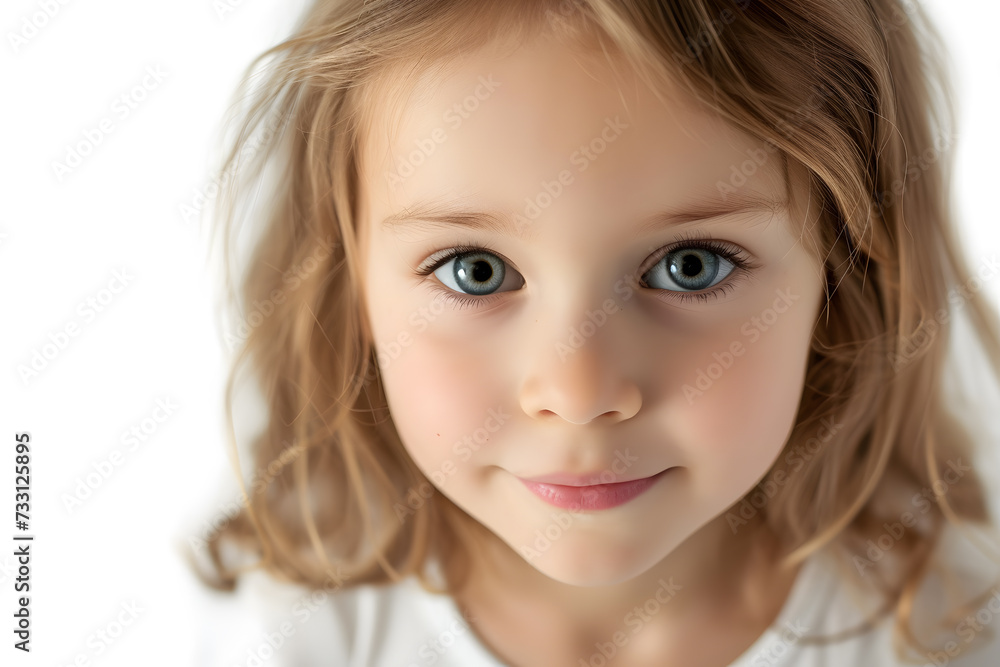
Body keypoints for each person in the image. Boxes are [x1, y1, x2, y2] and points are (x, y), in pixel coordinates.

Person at [188, 0, 1000, 664]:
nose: (579, 395)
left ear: (843, 280)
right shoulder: (298, 635)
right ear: (350, 289)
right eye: (476, 270)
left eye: (690, 265)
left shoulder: (948, 629)